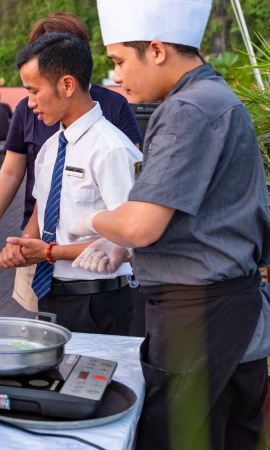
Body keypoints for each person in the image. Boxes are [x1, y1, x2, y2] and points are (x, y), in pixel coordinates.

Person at [70, 0, 270, 448]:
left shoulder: (189, 109)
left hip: (202, 323)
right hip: (230, 318)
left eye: (119, 61)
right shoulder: (215, 97)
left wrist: (91, 220)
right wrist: (121, 247)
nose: (117, 77)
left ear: (156, 50)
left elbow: (142, 224)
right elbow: (201, 213)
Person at [0, 32, 141, 335]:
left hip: (98, 302)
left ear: (67, 84)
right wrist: (22, 246)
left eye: (34, 91)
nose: (30, 103)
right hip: (52, 297)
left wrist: (49, 253)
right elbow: (42, 209)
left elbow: (130, 243)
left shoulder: (112, 149)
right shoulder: (52, 147)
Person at [0, 11, 141, 245]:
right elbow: (14, 174)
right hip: (38, 237)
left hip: (96, 253)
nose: (33, 101)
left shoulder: (113, 120)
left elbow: (128, 193)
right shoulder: (48, 136)